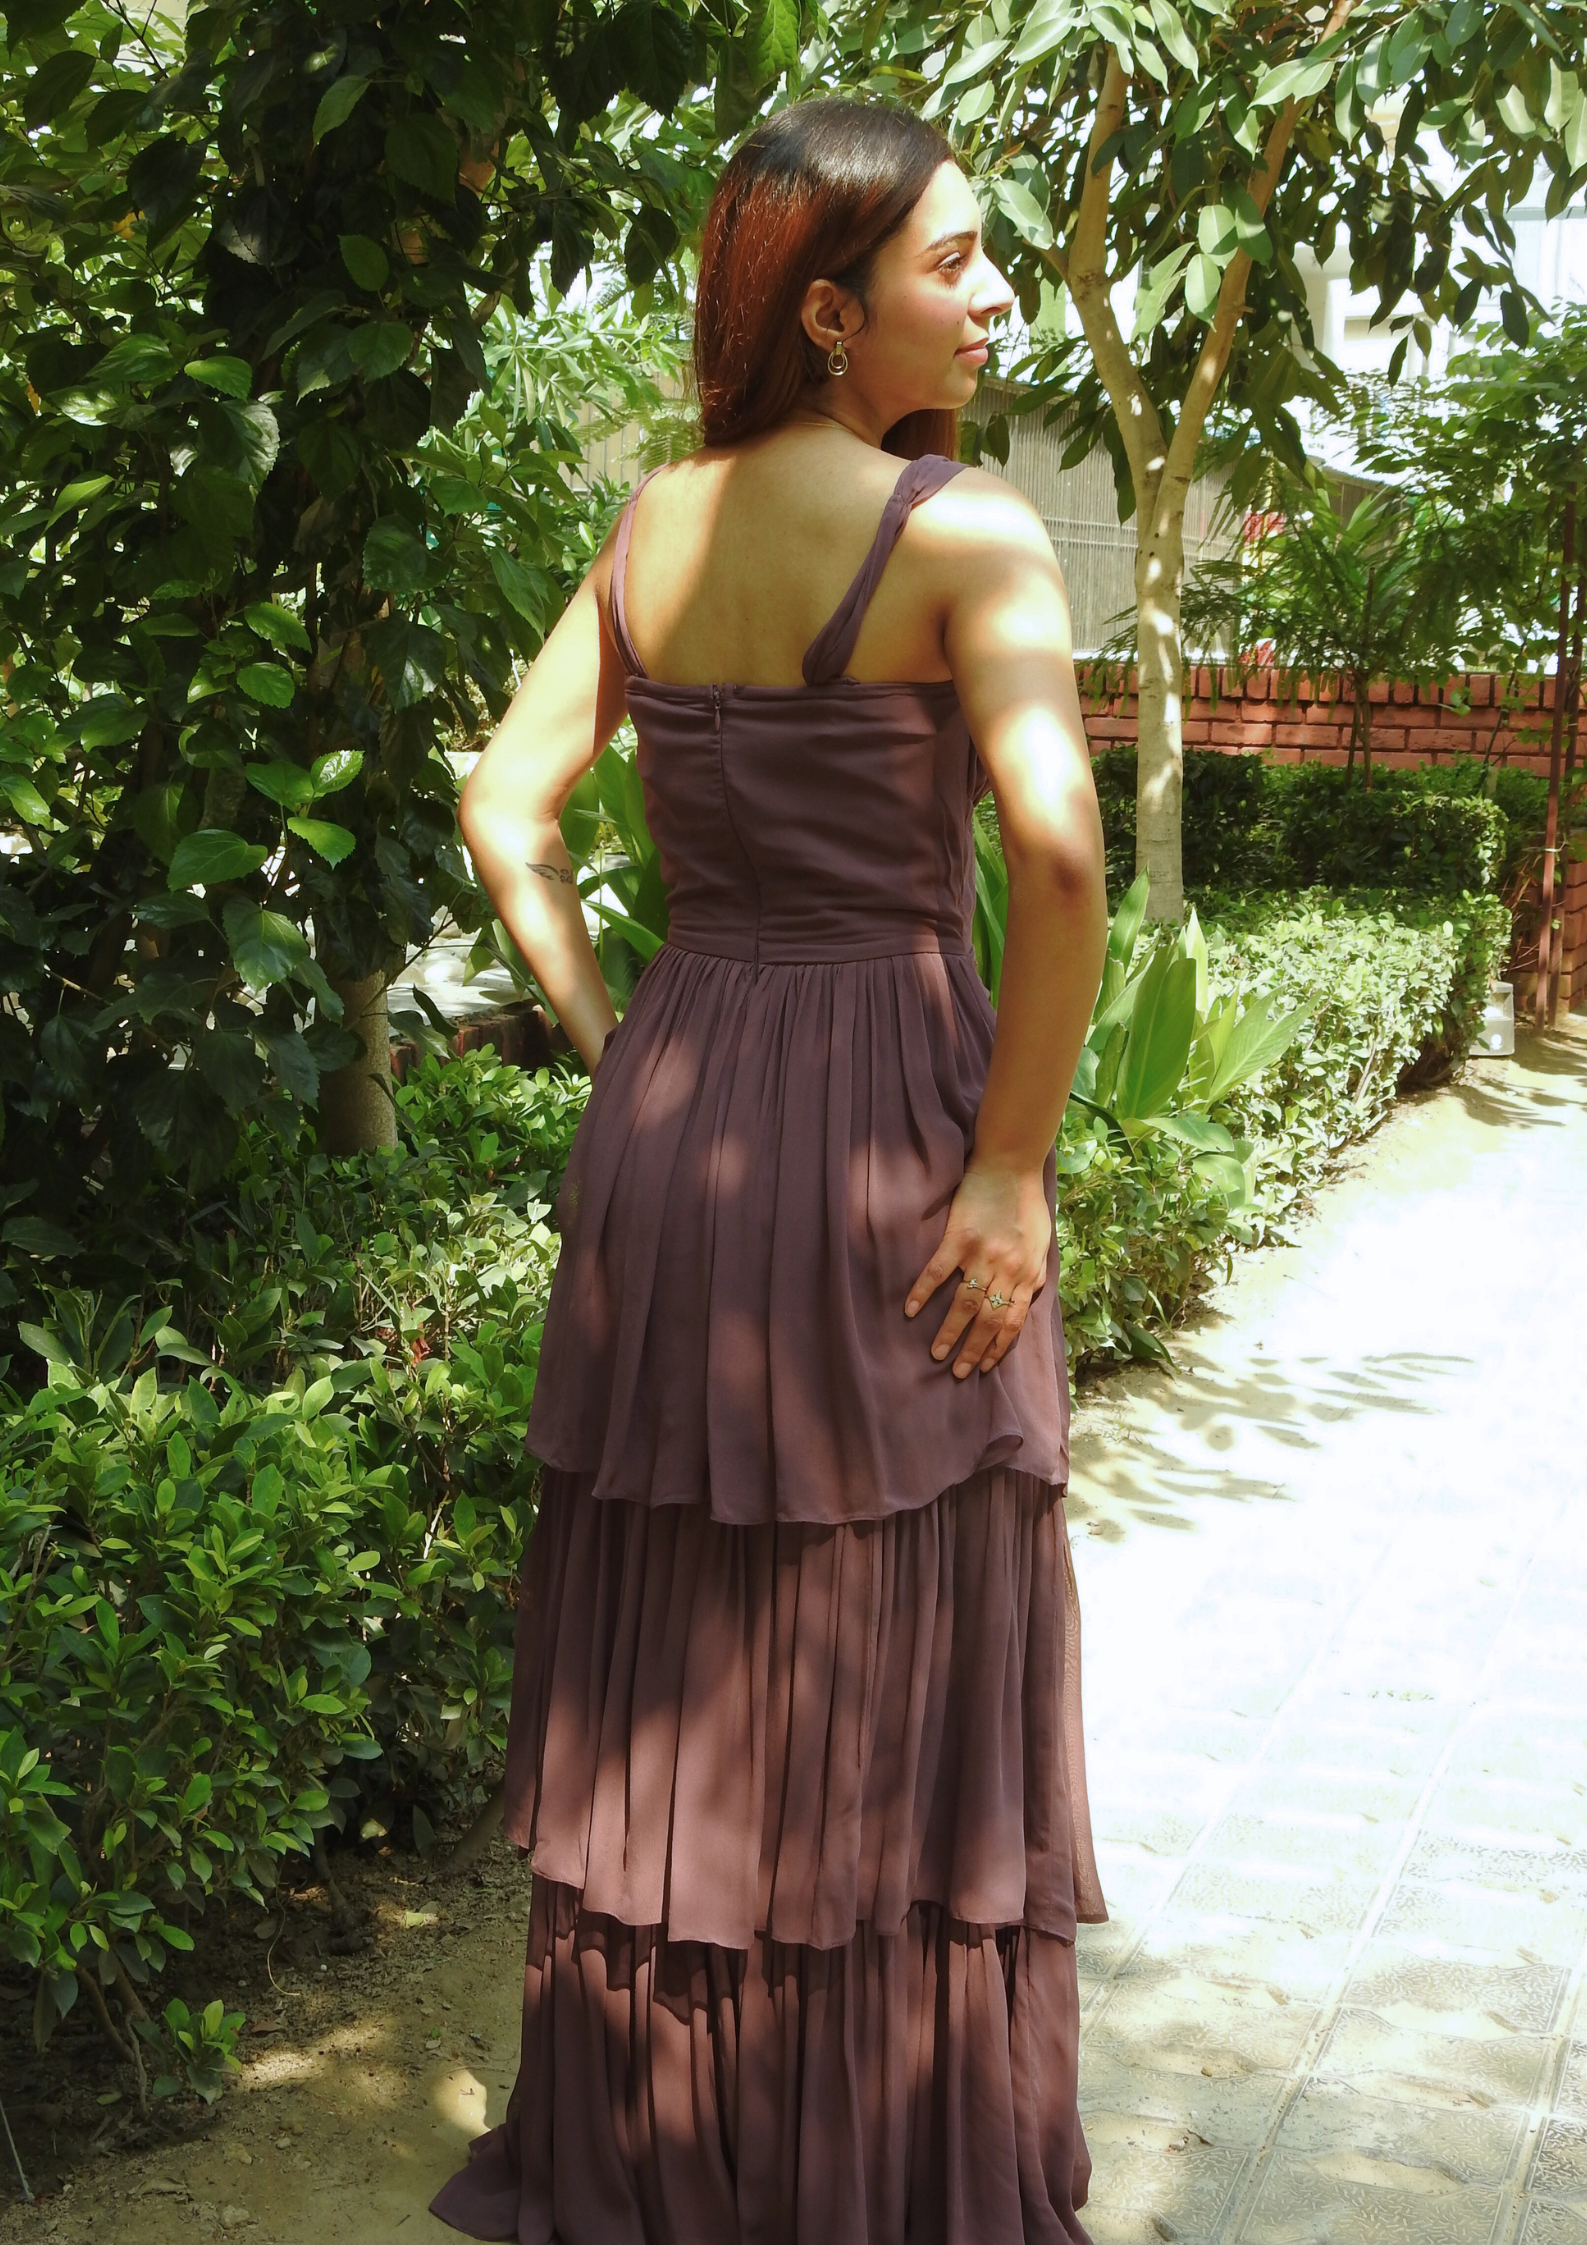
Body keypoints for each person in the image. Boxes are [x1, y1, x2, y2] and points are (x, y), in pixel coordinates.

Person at [429, 93, 1111, 2245]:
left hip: (682, 1122)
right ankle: (869, 2173)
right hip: (891, 1127)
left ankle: (664, 2152)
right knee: (891, 1628)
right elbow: (1060, 863)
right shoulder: (964, 530)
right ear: (827, 308)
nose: (994, 302)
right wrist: (1010, 1173)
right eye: (954, 264)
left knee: (681, 1636)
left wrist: (619, 1040)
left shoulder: (653, 522)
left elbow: (504, 812)